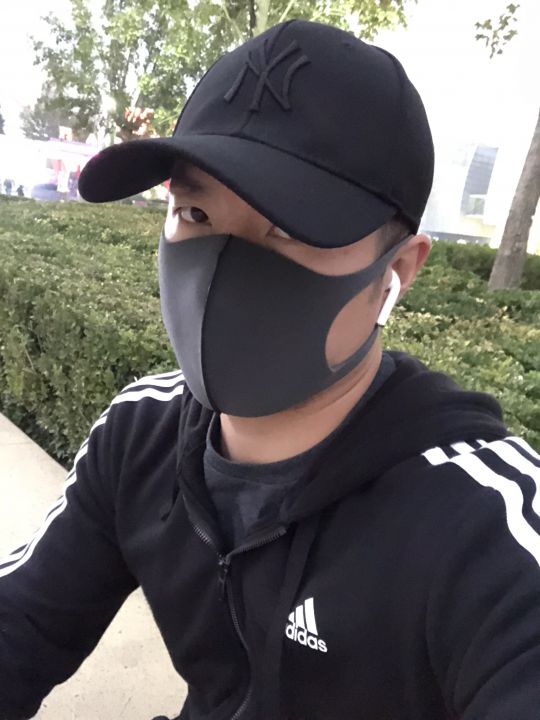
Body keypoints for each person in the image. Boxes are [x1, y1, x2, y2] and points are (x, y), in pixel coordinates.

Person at [1, 19, 539, 720]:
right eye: (195, 211)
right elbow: (21, 622)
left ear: (397, 272)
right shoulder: (141, 434)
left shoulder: (481, 528)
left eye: (288, 228)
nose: (222, 270)